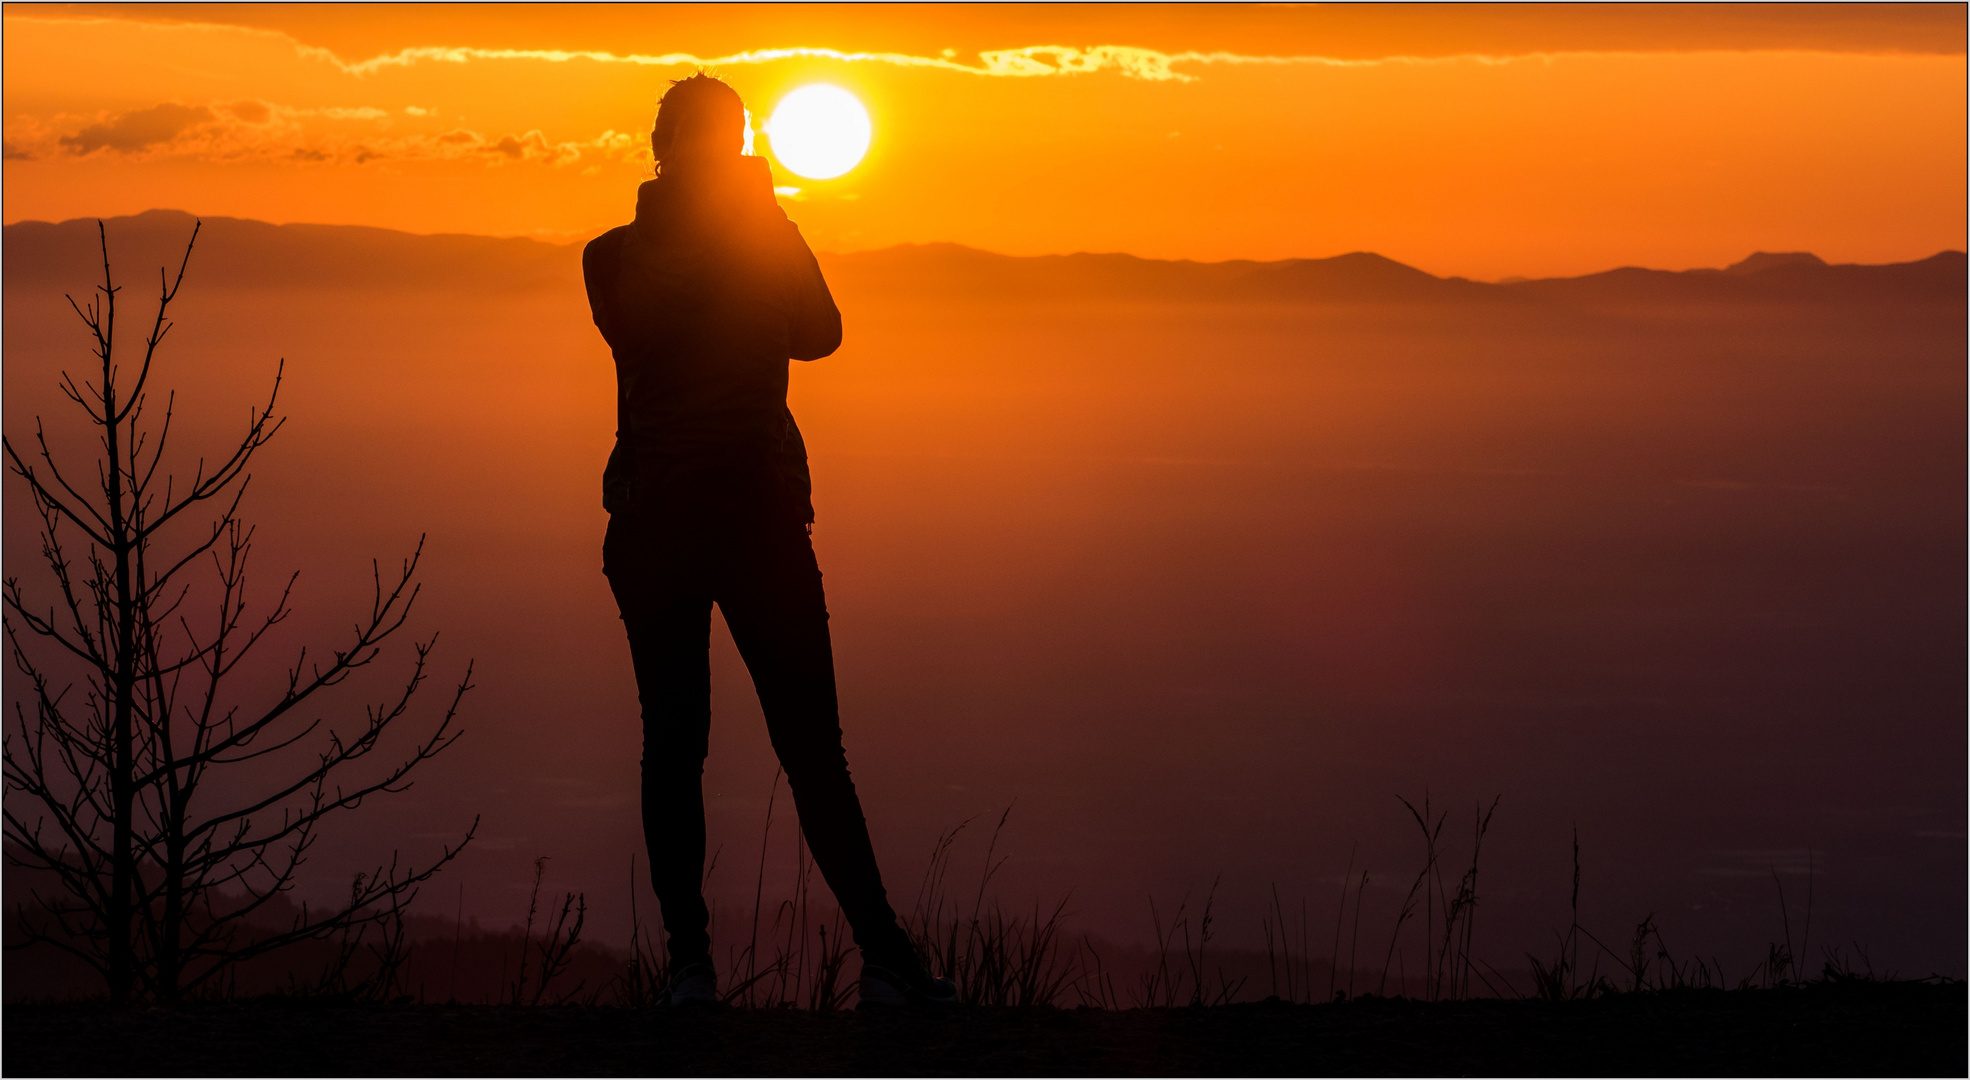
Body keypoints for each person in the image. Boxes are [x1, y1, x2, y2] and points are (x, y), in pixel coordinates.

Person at [582, 73, 956, 1009]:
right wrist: (767, 218)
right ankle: (883, 959)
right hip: (757, 515)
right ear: (739, 145)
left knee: (672, 743)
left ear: (660, 147)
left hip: (654, 520)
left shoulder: (608, 259)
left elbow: (647, 333)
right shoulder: (765, 244)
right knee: (812, 749)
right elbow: (821, 334)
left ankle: (689, 967)